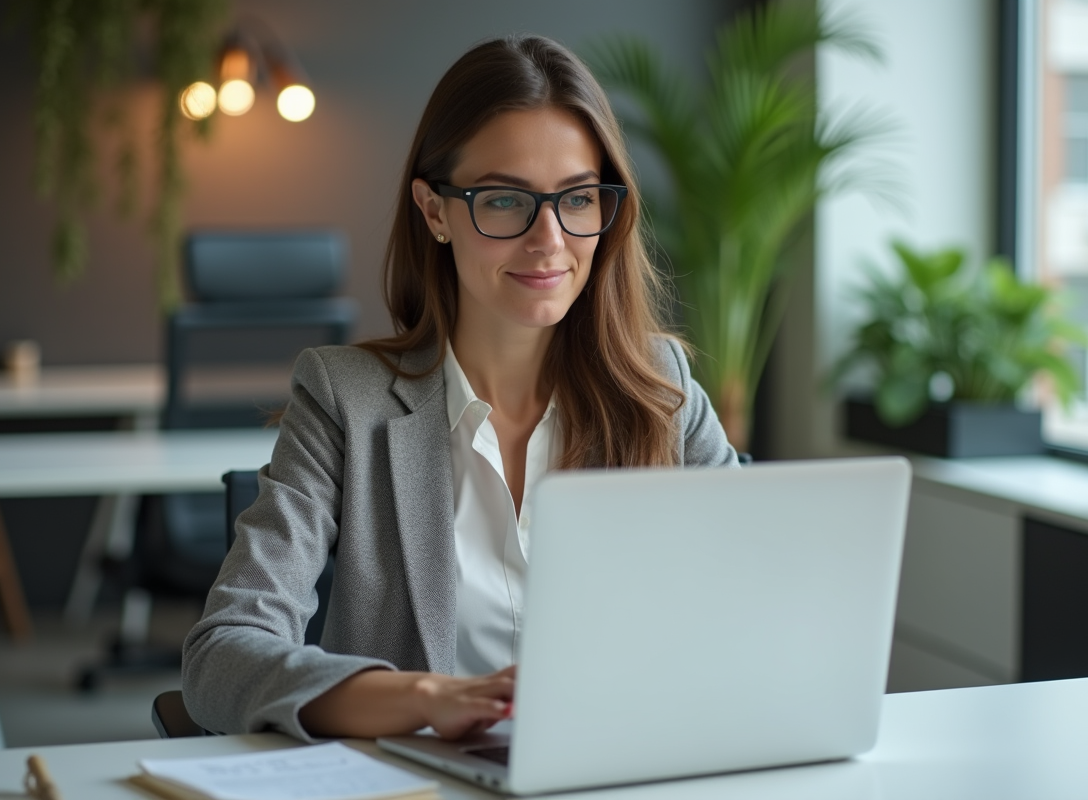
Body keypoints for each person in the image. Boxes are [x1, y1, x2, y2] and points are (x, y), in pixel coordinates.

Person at [181, 33, 738, 744]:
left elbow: (760, 613)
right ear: (436, 210)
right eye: (505, 201)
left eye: (577, 199)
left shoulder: (662, 390)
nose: (549, 239)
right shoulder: (344, 400)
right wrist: (427, 697)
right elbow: (220, 655)